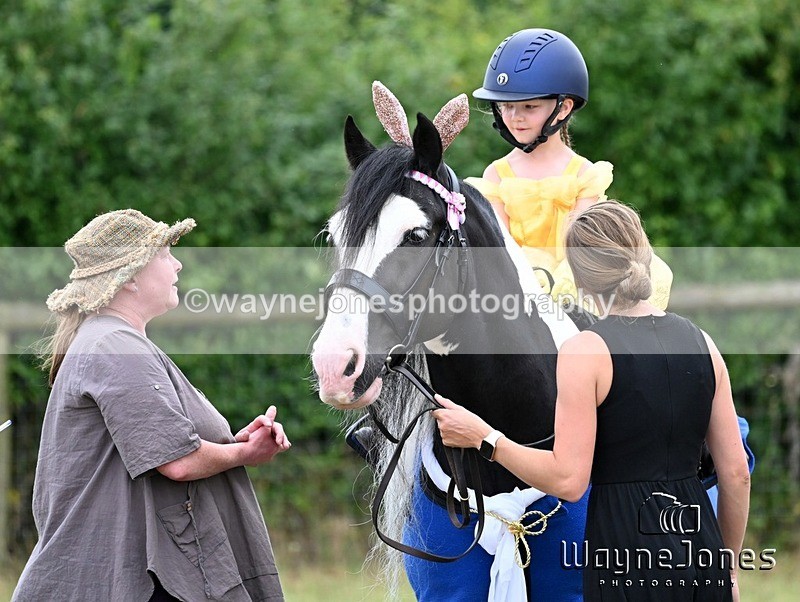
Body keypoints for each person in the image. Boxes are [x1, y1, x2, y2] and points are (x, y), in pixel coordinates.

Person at [433, 200, 751, 601]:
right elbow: (737, 473)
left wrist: (485, 438)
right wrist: (729, 567)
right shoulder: (702, 342)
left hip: (623, 554)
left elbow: (567, 480)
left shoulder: (586, 352)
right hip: (698, 548)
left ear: (580, 279)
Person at [13, 209, 290, 602]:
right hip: (129, 584)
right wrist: (245, 453)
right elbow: (177, 461)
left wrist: (233, 445)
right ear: (129, 279)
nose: (177, 264)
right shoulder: (115, 347)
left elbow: (166, 445)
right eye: (164, 255)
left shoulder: (111, 342)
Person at [465, 28, 672, 311]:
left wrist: (556, 296)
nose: (515, 117)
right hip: (516, 291)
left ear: (563, 109)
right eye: (506, 106)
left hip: (575, 288)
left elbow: (580, 245)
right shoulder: (496, 176)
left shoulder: (583, 175)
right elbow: (500, 246)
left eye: (529, 106)